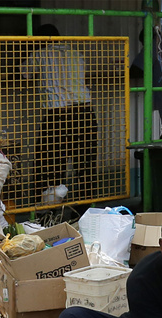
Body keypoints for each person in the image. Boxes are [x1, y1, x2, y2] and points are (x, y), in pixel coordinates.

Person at [24, 25, 97, 202]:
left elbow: (25, 74)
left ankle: (50, 208)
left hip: (58, 115)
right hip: (84, 113)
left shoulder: (40, 54)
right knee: (85, 165)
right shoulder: (76, 53)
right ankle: (84, 207)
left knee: (49, 164)